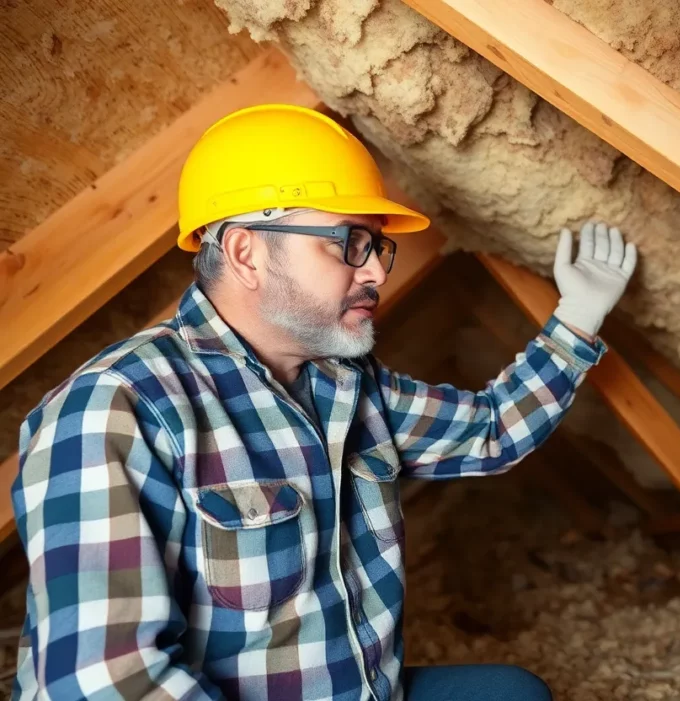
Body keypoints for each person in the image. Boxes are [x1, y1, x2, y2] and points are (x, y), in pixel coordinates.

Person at [10, 104, 637, 701]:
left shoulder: (348, 384)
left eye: (376, 247)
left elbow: (491, 431)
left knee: (513, 695)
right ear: (245, 251)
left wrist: (577, 320)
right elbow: (102, 684)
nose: (377, 273)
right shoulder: (117, 409)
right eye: (347, 243)